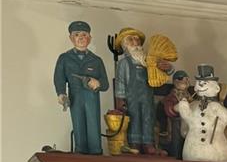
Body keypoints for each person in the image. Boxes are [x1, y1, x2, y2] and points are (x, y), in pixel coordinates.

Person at [53, 20, 108, 154]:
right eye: (77, 34)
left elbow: (105, 84)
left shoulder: (96, 60)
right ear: (71, 38)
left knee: (93, 123)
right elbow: (59, 78)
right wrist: (61, 93)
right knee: (78, 123)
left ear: (89, 38)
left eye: (84, 34)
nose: (81, 37)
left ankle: (96, 152)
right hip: (75, 95)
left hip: (91, 96)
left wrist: (98, 83)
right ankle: (80, 151)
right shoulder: (65, 58)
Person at [112, 27, 158, 152]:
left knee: (148, 117)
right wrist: (120, 99)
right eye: (131, 40)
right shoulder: (124, 63)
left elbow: (161, 73)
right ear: (125, 45)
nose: (135, 42)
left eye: (137, 39)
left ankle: (148, 142)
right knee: (134, 118)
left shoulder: (148, 62)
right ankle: (135, 143)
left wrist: (167, 68)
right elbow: (120, 81)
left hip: (147, 96)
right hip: (131, 97)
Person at [178, 65, 227, 162]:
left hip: (218, 151)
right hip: (192, 152)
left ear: (216, 88)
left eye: (205, 83)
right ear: (195, 88)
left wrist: (218, 108)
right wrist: (185, 113)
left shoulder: (217, 106)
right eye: (199, 83)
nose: (201, 85)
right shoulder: (193, 105)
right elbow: (184, 132)